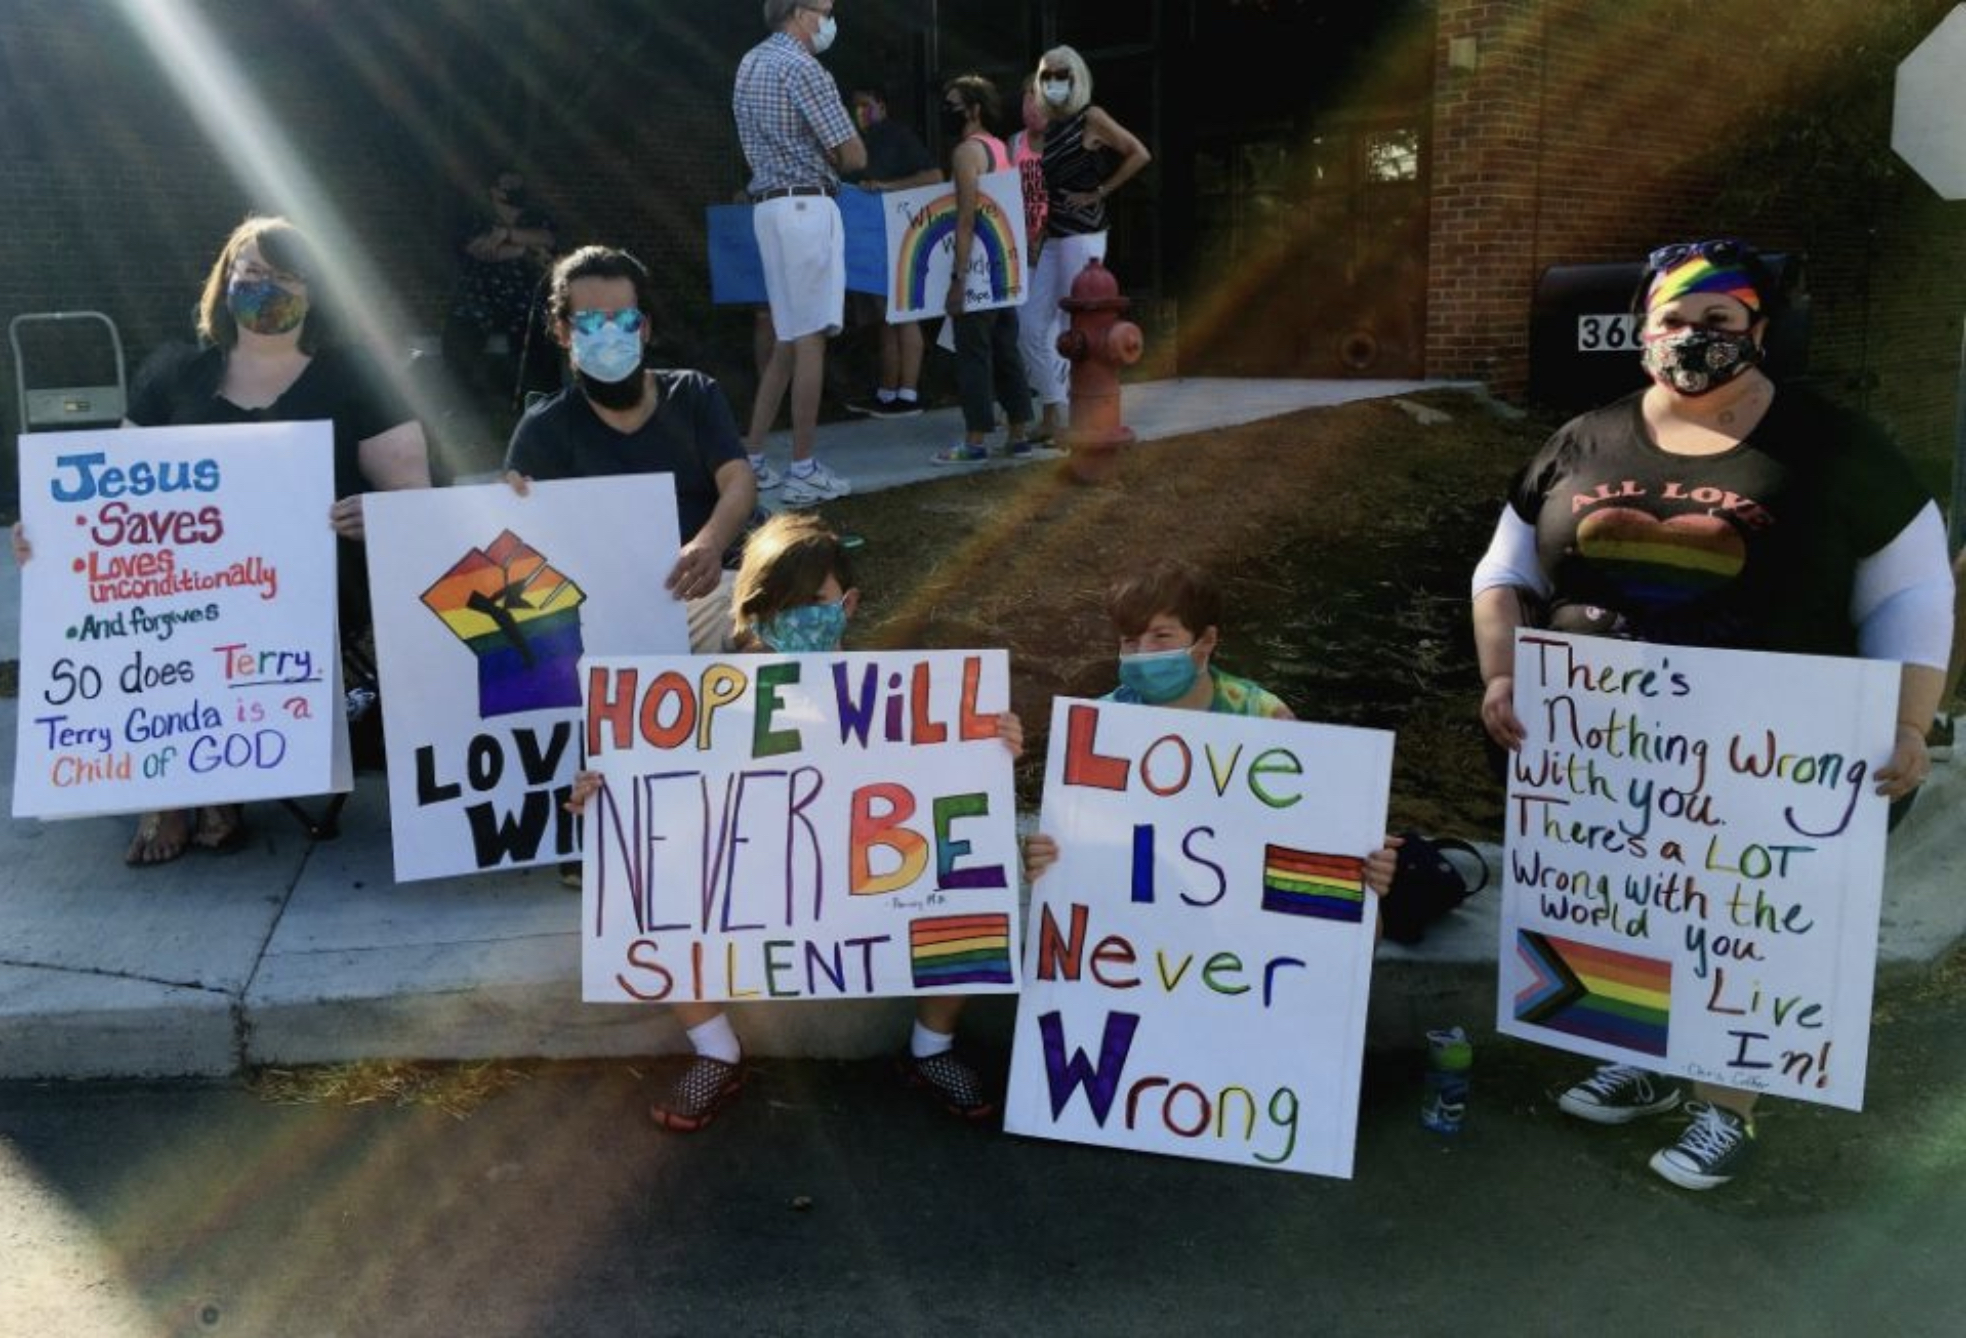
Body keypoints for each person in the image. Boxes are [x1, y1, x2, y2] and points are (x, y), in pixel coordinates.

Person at [1471, 238, 1955, 1191]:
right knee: (1636, 900)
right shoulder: (1584, 437)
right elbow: (1507, 569)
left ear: (1760, 331)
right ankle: (1647, 1059)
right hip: (1605, 746)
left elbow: (1911, 593)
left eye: (1720, 321)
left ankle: (1728, 1100)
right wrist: (1499, 674)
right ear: (1644, 326)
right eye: (1674, 321)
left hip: (1770, 756)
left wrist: (1908, 720)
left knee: (1742, 918)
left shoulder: (1837, 447)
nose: (1693, 339)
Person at [565, 512, 1025, 1131]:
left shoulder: (898, 695)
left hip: (866, 871)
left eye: (815, 601)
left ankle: (931, 1047)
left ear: (849, 603)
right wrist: (602, 794)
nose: (799, 616)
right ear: (753, 614)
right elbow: (665, 798)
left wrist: (990, 749)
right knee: (646, 877)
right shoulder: (713, 699)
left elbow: (938, 785)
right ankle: (717, 1050)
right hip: (761, 870)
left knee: (970, 877)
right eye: (780, 605)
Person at [12, 215, 433, 865]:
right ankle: (181, 785)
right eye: (253, 272)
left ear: (314, 291)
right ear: (226, 280)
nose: (266, 288)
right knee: (165, 606)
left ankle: (208, 780)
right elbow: (112, 493)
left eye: (286, 276)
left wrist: (376, 515)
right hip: (190, 589)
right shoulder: (175, 372)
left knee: (206, 612)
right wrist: (52, 537)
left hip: (320, 586)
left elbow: (414, 498)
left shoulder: (354, 375)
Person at [1024, 558, 1401, 907]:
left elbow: (1307, 839)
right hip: (1137, 931)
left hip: (1231, 931)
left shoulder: (1265, 718)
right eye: (1129, 640)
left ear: (1205, 642)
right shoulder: (1099, 727)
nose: (1142, 652)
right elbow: (1083, 847)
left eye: (1161, 636)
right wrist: (1049, 861)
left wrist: (1360, 872)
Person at [503, 246, 759, 657]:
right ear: (562, 331)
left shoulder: (693, 394)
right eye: (589, 321)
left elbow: (738, 479)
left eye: (623, 319)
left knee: (772, 622)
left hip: (706, 589)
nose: (608, 333)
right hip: (602, 613)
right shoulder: (543, 430)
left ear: (643, 328)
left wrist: (709, 544)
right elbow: (517, 545)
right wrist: (513, 505)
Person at [733, 0, 866, 508]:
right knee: (810, 339)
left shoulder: (751, 62)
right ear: (801, 13)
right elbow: (854, 155)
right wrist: (836, 149)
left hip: (767, 207)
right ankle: (805, 468)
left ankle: (753, 456)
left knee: (788, 337)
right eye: (825, 9)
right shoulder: (805, 67)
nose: (830, 19)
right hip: (808, 205)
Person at [1017, 45, 1151, 447]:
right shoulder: (1053, 127)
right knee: (1029, 325)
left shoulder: (1090, 117)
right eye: (1048, 76)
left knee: (1075, 326)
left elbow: (1138, 153)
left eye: (1062, 76)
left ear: (1076, 78)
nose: (1054, 84)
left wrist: (1100, 192)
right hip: (1056, 236)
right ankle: (1055, 410)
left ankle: (1073, 416)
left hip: (1084, 235)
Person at [929, 74, 1039, 465]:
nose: (947, 111)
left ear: (973, 109)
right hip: (1002, 268)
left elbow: (965, 220)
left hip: (976, 269)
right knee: (1005, 350)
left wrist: (957, 280)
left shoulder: (966, 153)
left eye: (953, 104)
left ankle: (974, 441)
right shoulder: (1000, 148)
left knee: (973, 354)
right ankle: (1019, 433)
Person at [841, 85, 942, 419]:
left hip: (901, 237)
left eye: (866, 106)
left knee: (903, 313)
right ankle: (887, 394)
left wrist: (886, 188)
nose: (860, 113)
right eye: (855, 108)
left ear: (882, 106)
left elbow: (934, 177)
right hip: (867, 243)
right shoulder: (858, 143)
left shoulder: (898, 136)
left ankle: (909, 393)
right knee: (885, 318)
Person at [442, 169, 558, 404]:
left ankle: (543, 404)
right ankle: (461, 406)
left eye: (517, 183)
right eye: (507, 184)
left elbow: (547, 238)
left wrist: (504, 235)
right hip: (478, 297)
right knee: (460, 340)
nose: (513, 189)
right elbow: (482, 251)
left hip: (525, 299)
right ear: (493, 190)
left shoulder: (536, 217)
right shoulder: (474, 217)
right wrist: (525, 248)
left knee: (543, 342)